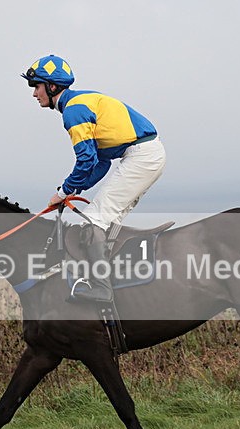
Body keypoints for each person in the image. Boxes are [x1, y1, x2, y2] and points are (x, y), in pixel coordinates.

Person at [22, 54, 166, 302]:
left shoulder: (73, 112)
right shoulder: (79, 102)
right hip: (144, 155)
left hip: (141, 157)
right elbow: (101, 163)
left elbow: (87, 161)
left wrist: (63, 191)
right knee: (107, 223)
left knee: (93, 222)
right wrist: (73, 190)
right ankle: (114, 281)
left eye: (36, 86)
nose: (34, 93)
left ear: (52, 86)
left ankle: (102, 288)